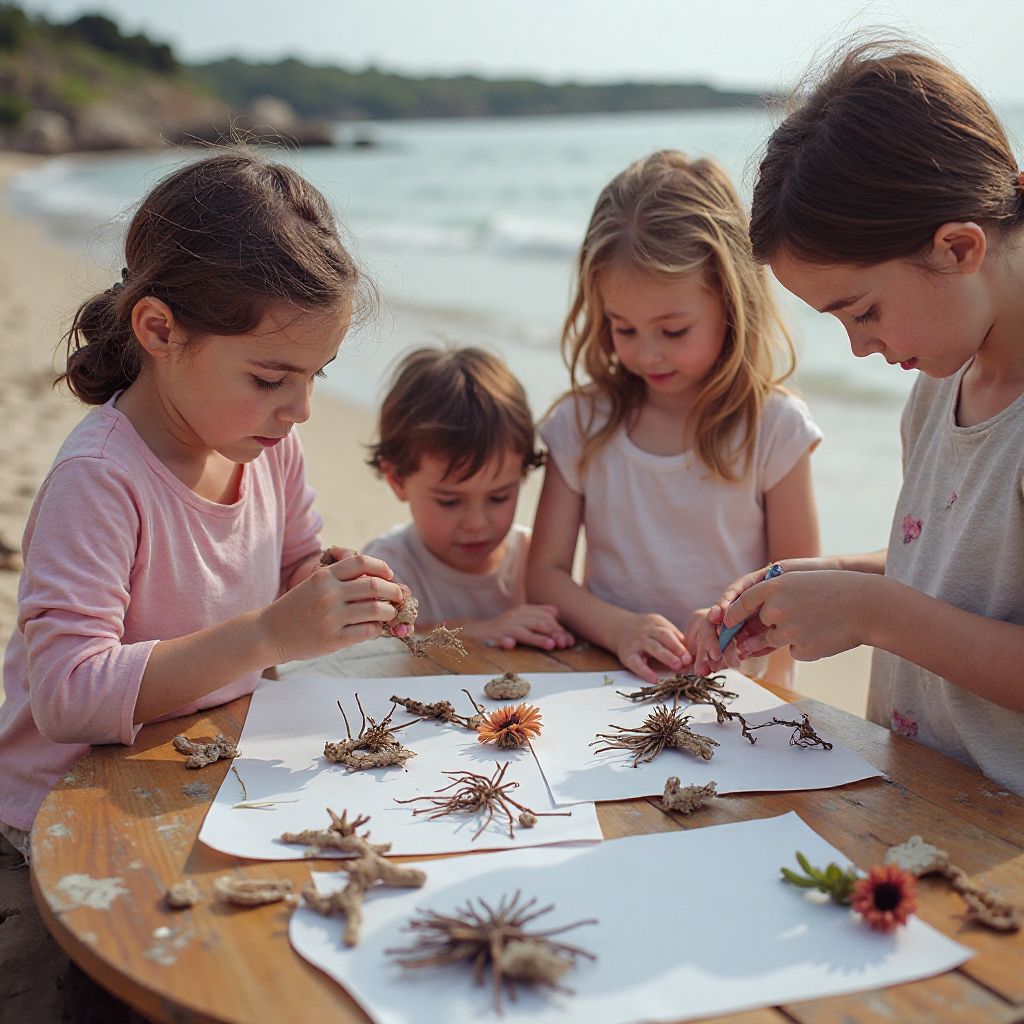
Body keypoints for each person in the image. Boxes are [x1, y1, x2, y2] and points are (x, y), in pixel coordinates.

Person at [0, 151, 410, 858]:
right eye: (270, 377)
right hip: (72, 800)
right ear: (159, 331)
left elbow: (292, 567)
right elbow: (66, 695)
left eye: (317, 376)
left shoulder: (265, 442)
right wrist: (267, 637)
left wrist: (330, 589)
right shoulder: (100, 479)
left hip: (196, 759)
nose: (302, 408)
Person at [698, 41, 1024, 796]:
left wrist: (874, 612)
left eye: (863, 311)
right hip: (924, 797)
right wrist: (834, 580)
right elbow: (965, 570)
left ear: (958, 247)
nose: (858, 346)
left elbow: (913, 612)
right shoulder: (943, 380)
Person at [527, 150, 822, 685]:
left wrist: (737, 638)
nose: (648, 354)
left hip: (738, 700)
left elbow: (798, 589)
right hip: (600, 686)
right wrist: (619, 629)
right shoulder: (582, 425)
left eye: (674, 330)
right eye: (624, 328)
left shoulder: (774, 428)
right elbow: (545, 577)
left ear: (731, 303)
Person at [365, 346, 574, 651]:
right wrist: (476, 630)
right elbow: (370, 652)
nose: (477, 523)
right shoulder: (390, 569)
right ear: (398, 480)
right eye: (450, 501)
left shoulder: (535, 563)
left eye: (499, 497)